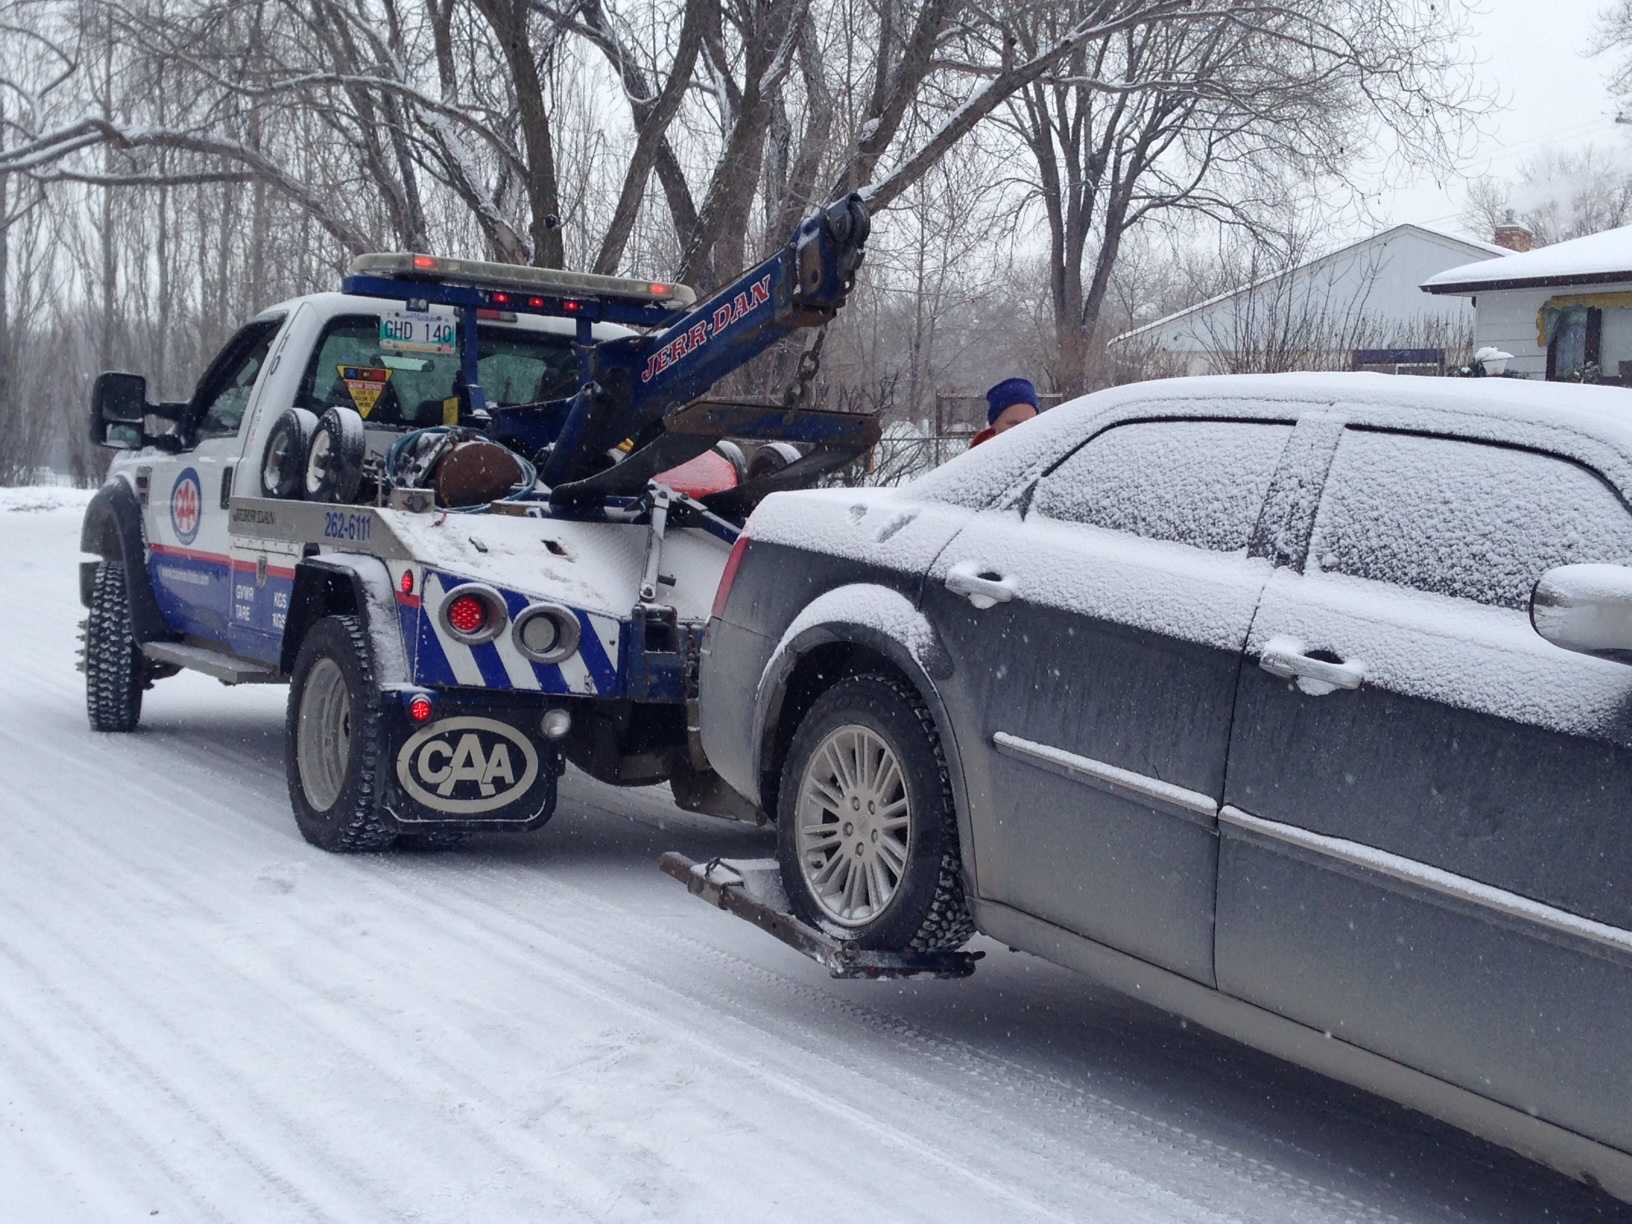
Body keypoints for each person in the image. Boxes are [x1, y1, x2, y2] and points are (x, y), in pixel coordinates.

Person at [969, 377, 1039, 448]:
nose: (1023, 431)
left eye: (1029, 423)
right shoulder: (980, 457)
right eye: (1014, 424)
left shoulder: (1046, 452)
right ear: (994, 425)